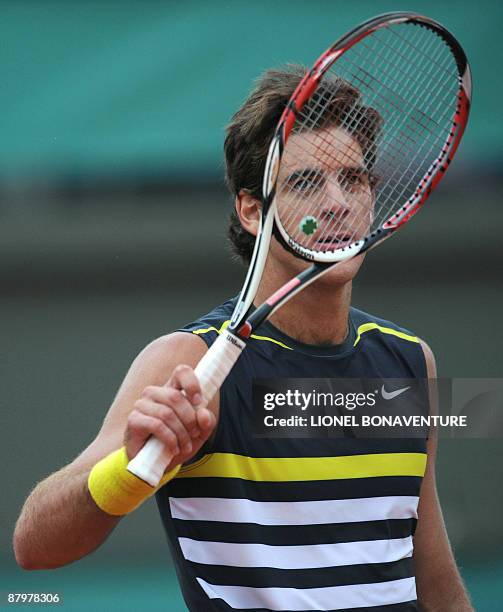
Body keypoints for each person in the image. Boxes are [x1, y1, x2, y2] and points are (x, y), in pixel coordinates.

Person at [13, 65, 473, 611]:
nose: (337, 203)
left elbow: (434, 582)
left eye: (353, 180)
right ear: (252, 211)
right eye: (306, 182)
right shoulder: (187, 361)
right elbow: (35, 546)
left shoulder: (409, 362)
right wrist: (132, 469)